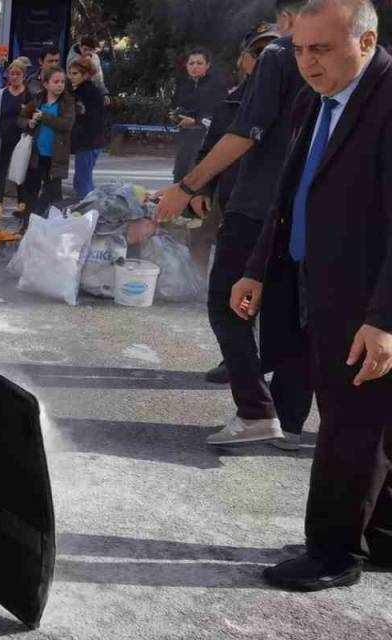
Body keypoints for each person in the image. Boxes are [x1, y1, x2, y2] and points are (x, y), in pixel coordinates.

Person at [232, 0, 392, 591]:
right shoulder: (317, 97)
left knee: (350, 427)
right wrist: (256, 269)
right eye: (298, 49)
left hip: (369, 299)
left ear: (367, 41)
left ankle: (332, 553)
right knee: (372, 424)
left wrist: (384, 319)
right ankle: (381, 537)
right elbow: (289, 193)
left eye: (321, 49)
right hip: (316, 285)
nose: (306, 62)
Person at [157, 0, 310, 448]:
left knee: (227, 303)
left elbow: (246, 132)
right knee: (292, 314)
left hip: (259, 205)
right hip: (302, 207)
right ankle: (289, 420)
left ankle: (257, 411)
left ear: (286, 18)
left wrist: (186, 187)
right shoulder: (356, 61)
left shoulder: (283, 55)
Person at [191, 22, 280, 386]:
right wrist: (201, 187)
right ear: (244, 60)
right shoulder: (232, 99)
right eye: (258, 53)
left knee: (272, 292)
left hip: (275, 212)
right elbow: (211, 146)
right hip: (235, 207)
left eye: (273, 52)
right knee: (231, 291)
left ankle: (270, 372)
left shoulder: (297, 97)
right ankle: (238, 359)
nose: (264, 60)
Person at [17, 65, 75, 228]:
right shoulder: (38, 100)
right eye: (56, 82)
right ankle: (27, 224)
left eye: (62, 82)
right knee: (31, 191)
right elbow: (21, 118)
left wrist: (44, 117)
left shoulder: (67, 103)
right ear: (46, 84)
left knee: (54, 193)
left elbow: (66, 124)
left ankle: (56, 227)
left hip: (55, 157)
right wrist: (29, 122)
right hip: (36, 154)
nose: (60, 85)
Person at [170, 48, 223, 185]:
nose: (195, 67)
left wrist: (195, 121)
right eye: (191, 63)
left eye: (199, 63)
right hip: (184, 139)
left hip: (206, 141)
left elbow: (220, 114)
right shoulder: (183, 85)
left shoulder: (217, 86)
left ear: (208, 65)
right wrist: (174, 116)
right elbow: (175, 106)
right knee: (179, 177)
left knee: (197, 181)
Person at [0, 59, 30, 217]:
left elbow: (34, 113)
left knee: (21, 170)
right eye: (12, 74)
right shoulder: (0, 94)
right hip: (3, 138)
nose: (14, 77)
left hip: (22, 139)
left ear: (24, 76)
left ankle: (22, 202)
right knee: (0, 171)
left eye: (18, 74)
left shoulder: (28, 94)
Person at [68, 59, 106, 199]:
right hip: (91, 141)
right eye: (70, 73)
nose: (71, 76)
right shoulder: (86, 90)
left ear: (86, 75)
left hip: (88, 141)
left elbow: (88, 118)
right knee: (83, 179)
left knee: (82, 182)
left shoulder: (86, 92)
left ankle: (89, 210)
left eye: (75, 73)